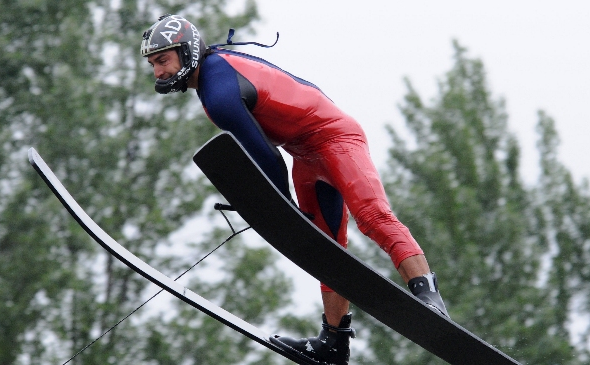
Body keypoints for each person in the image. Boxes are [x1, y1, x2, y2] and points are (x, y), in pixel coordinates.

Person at [141, 14, 449, 365]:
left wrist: (275, 206)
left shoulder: (218, 90)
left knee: (372, 217)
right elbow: (268, 158)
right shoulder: (214, 80)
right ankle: (334, 343)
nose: (158, 73)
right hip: (303, 154)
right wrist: (273, 203)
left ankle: (429, 297)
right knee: (326, 250)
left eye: (163, 60)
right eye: (153, 64)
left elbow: (267, 160)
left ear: (188, 51)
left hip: (335, 138)